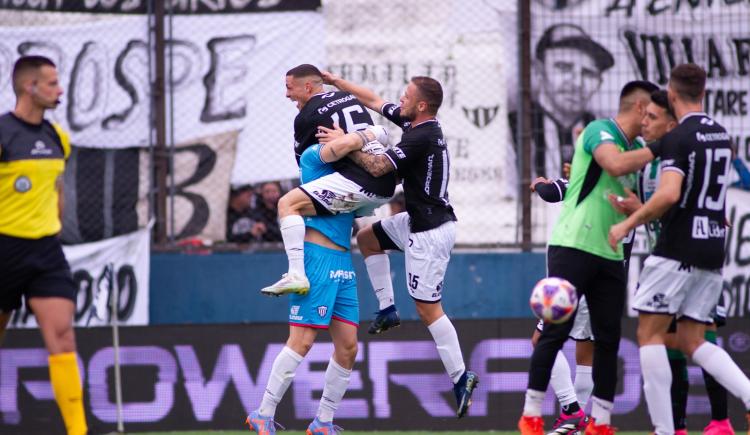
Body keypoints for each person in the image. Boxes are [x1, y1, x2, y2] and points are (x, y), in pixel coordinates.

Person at [317, 72, 479, 418]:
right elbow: (374, 100)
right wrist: (337, 82)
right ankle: (388, 309)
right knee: (367, 239)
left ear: (421, 105)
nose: (399, 101)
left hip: (430, 233)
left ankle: (461, 376)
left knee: (428, 310)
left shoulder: (421, 135)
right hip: (417, 221)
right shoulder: (416, 124)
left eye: (406, 97)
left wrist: (347, 141)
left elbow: (377, 167)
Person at [609, 64, 750, 435]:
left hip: (675, 250)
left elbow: (670, 194)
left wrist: (628, 223)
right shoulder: (721, 135)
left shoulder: (678, 138)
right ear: (702, 93)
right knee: (692, 339)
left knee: (648, 335)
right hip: (712, 250)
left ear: (671, 95)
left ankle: (665, 430)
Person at [517, 80, 659, 435]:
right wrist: (663, 147)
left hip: (611, 252)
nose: (654, 122)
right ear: (640, 108)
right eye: (653, 114)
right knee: (554, 332)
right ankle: (533, 415)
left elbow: (643, 200)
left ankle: (599, 422)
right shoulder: (600, 131)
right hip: (574, 245)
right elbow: (612, 165)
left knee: (607, 340)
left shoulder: (639, 148)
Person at [245, 135, 370, 435]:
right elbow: (346, 145)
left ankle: (322, 422)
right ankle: (263, 413)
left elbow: (373, 199)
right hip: (318, 260)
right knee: (301, 341)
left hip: (343, 263)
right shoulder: (313, 158)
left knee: (349, 347)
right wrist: (365, 135)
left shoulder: (350, 176)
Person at [0, 56, 87, 435]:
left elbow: (55, 192)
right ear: (29, 87)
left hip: (46, 252)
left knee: (63, 336)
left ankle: (78, 431)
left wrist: (53, 226)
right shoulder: (4, 133)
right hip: (4, 248)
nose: (59, 89)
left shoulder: (56, 137)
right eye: (51, 83)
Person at [261, 64, 396, 296]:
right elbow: (374, 115)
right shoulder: (348, 96)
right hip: (386, 181)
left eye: (289, 88)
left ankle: (296, 274)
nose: (287, 94)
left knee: (288, 204)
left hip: (362, 184)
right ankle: (387, 305)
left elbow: (306, 164)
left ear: (308, 86)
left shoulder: (306, 117)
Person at [509, 23, 614, 181]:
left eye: (588, 73)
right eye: (564, 68)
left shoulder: (602, 132)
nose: (577, 83)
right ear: (538, 70)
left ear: (600, 82)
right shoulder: (512, 127)